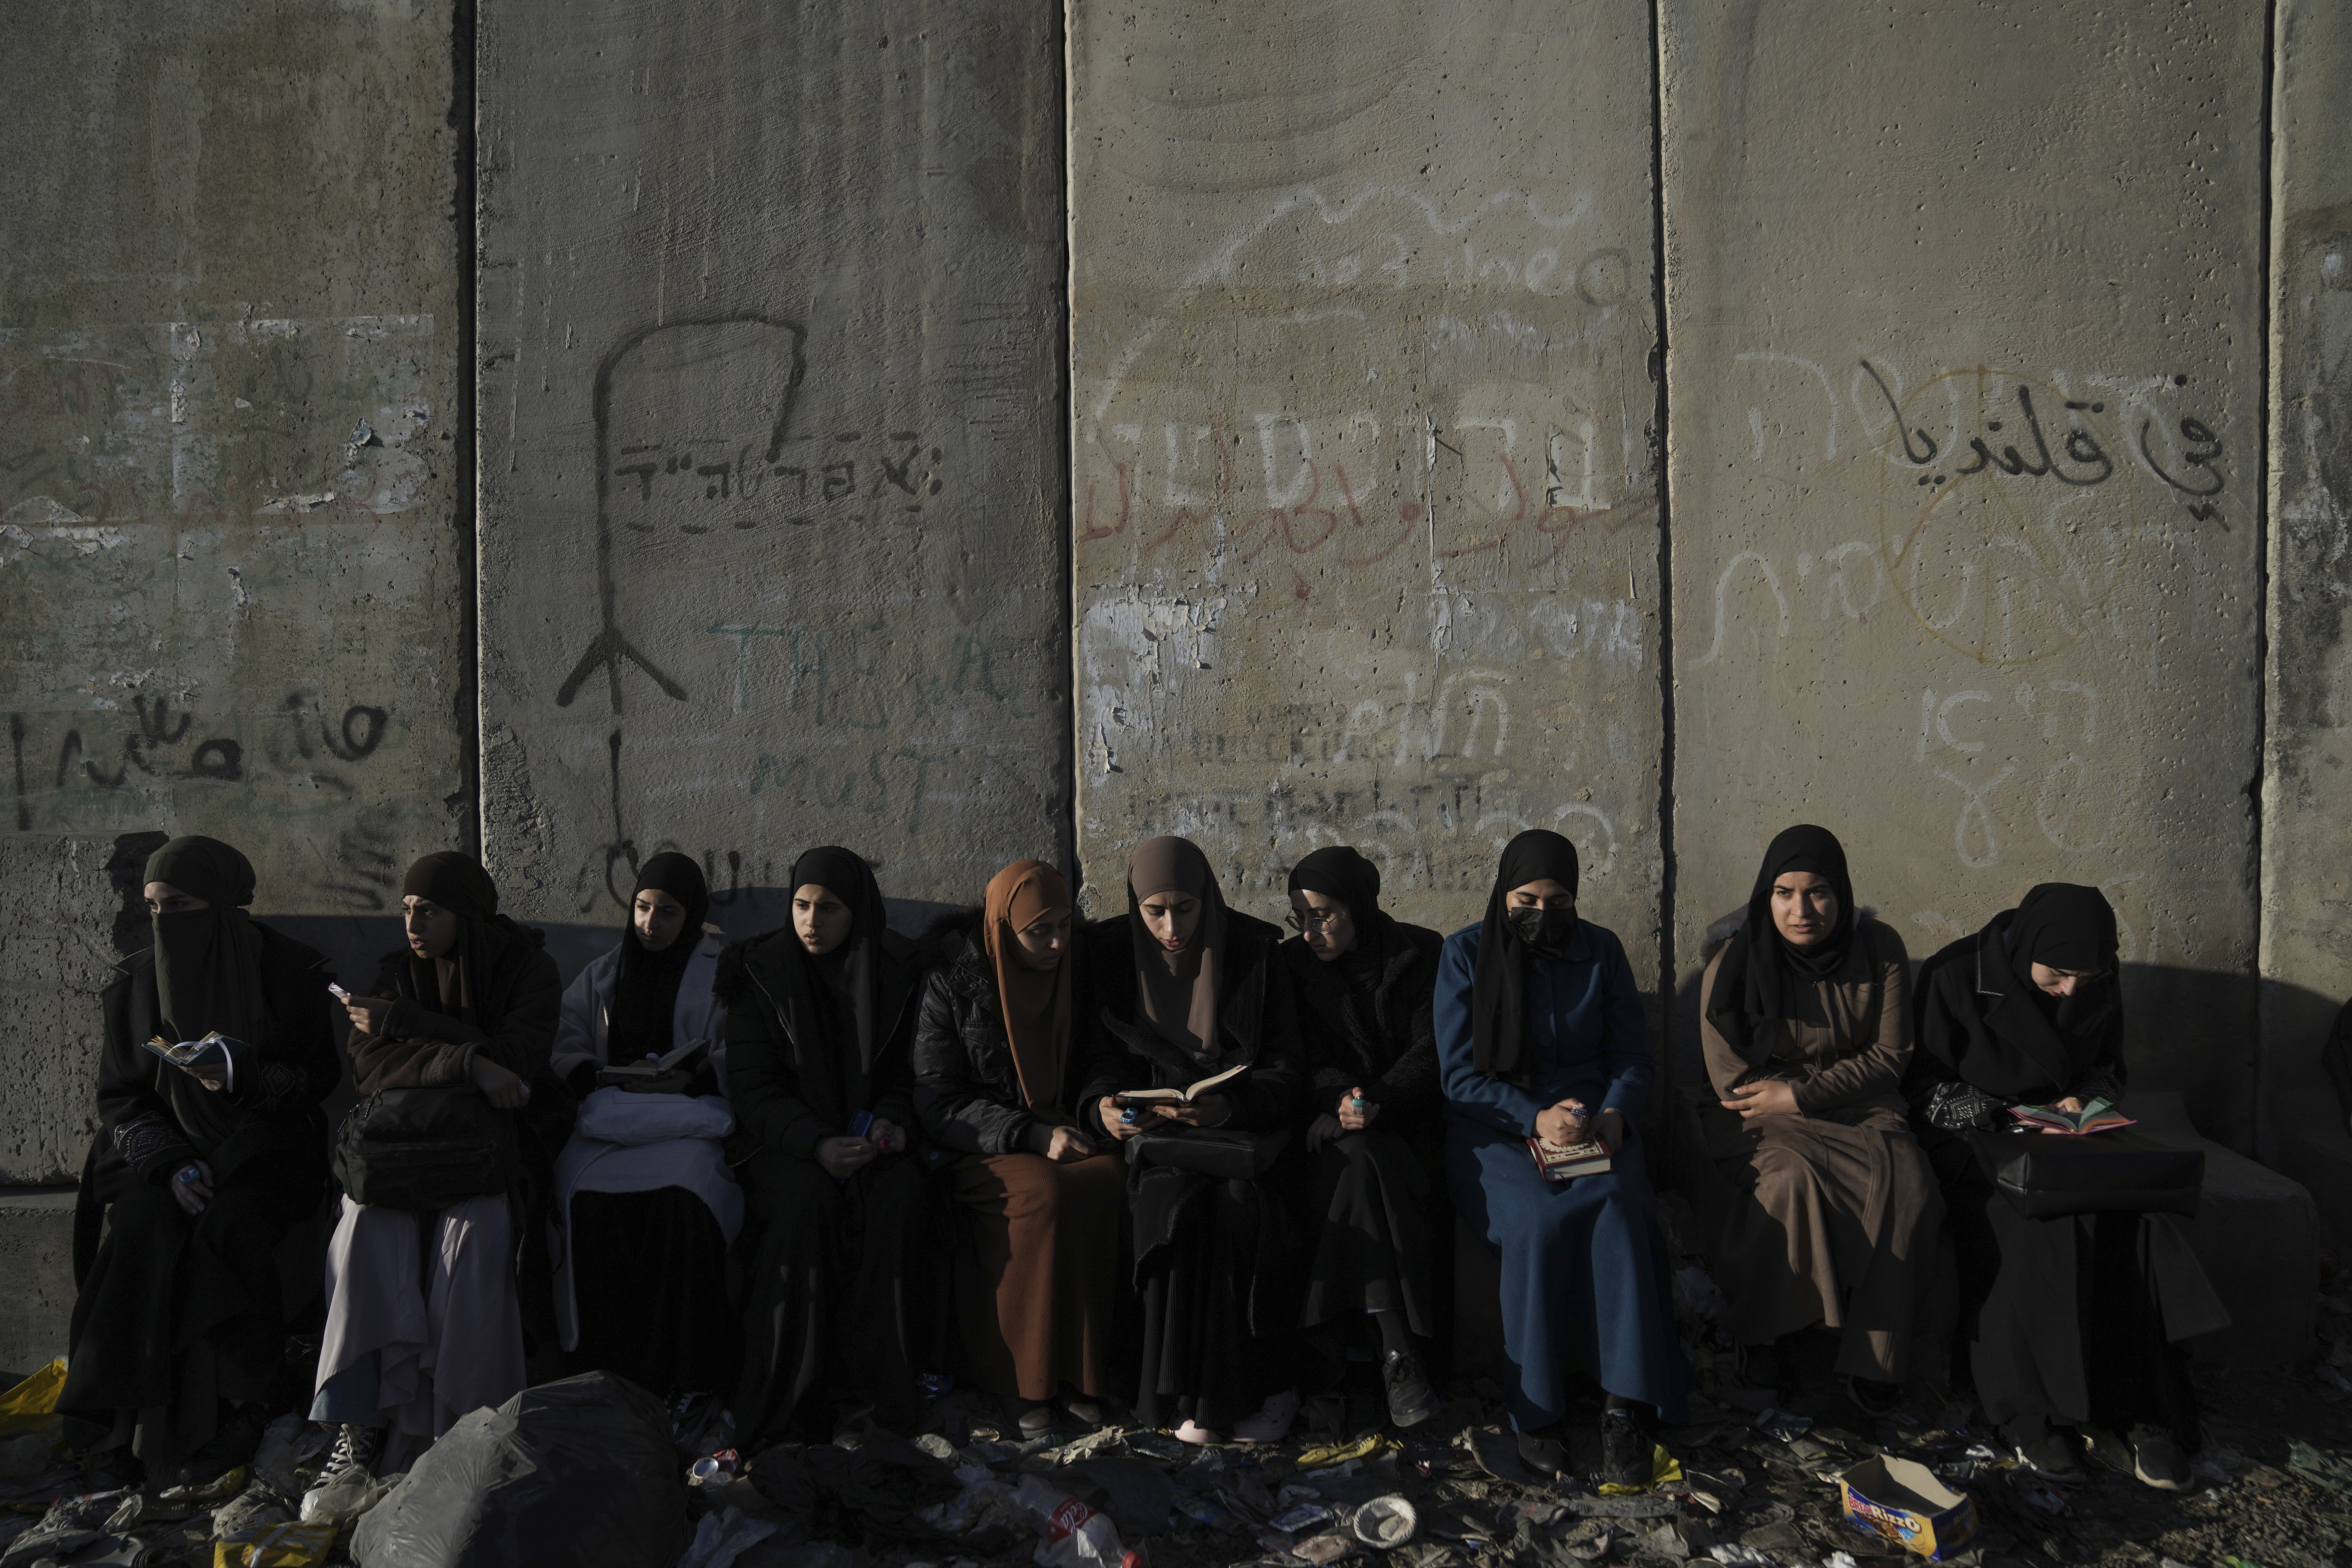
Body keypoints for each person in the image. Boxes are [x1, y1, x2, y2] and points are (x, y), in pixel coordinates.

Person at [1907, 883, 2228, 1491]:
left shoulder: (2098, 981)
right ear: (2025, 946)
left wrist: (2088, 1101)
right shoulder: (1957, 975)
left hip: (2071, 1141)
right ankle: (2029, 1413)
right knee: (2033, 1228)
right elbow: (1925, 1090)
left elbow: (2110, 1068)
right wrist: (2006, 1111)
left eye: (2086, 976)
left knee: (2139, 1222)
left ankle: (2145, 1410)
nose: (2073, 990)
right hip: (1981, 1147)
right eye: (2057, 976)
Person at [60, 836, 342, 1485]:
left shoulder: (288, 971)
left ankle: (242, 1408)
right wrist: (172, 1163)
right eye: (154, 907)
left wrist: (240, 1075)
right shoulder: (134, 985)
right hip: (166, 1153)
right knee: (142, 1228)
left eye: (180, 904)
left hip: (262, 1148)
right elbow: (122, 1098)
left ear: (220, 903)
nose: (165, 921)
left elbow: (315, 1078)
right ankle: (112, 1424)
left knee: (232, 1227)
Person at [305, 851, 560, 1507]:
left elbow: (521, 1061)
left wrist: (409, 1029)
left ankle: (466, 1425)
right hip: (401, 1156)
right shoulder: (396, 973)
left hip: (489, 1155)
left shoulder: (528, 969)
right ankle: (359, 1422)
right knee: (364, 1229)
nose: (414, 923)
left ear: (467, 916)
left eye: (432, 910)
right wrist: (471, 1064)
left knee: (476, 1235)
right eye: (408, 909)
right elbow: (370, 1068)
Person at [1437, 828, 1686, 1484]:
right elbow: (1460, 1076)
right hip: (1495, 1129)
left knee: (1621, 1210)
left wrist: (1611, 1112)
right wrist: (1532, 1117)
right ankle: (1538, 1409)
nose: (1541, 914)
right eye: (1526, 898)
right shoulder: (1465, 954)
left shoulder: (1600, 951)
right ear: (1504, 892)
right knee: (1537, 1225)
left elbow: (1632, 1057)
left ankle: (1623, 1403)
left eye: (1558, 900)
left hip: (1592, 1124)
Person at [1694, 825, 1940, 1408]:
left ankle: (1873, 1361)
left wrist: (1803, 1092)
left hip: (1863, 1110)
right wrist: (1789, 1101)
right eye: (1785, 892)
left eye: (1818, 892)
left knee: (1909, 1186)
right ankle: (1779, 1342)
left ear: (1843, 893)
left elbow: (1891, 1057)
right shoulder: (1734, 961)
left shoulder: (1880, 948)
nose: (1801, 910)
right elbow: (1733, 1081)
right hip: (1757, 1116)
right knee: (1789, 1183)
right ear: (1767, 895)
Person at [1075, 836, 1308, 1444]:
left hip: (1242, 1140)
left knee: (1239, 1209)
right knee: (1167, 1209)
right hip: (1159, 1146)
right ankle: (1178, 1395)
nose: (1172, 926)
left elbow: (1287, 1068)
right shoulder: (1109, 956)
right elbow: (1096, 1061)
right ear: (1135, 907)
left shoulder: (1255, 952)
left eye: (1185, 908)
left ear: (1209, 899)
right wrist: (1106, 1108)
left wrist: (1231, 1105)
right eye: (1155, 911)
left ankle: (1259, 1390)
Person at [721, 846, 934, 1444]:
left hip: (869, 1144)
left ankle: (879, 1392)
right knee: (804, 1206)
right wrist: (815, 1143)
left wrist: (889, 1124)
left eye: (829, 908)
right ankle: (790, 1399)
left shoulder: (894, 972)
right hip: (786, 1146)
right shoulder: (759, 972)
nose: (812, 921)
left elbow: (906, 1075)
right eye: (802, 905)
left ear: (858, 911)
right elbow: (754, 1089)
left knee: (899, 1197)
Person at [912, 859, 1124, 1437]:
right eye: (1040, 931)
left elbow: (1101, 1059)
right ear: (1005, 929)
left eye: (1064, 925)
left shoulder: (1078, 970)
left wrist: (1103, 1105)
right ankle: (1021, 1381)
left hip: (1068, 1128)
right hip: (982, 1143)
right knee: (1042, 1193)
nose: (1057, 942)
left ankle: (1082, 1374)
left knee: (1108, 1179)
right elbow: (937, 1101)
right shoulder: (952, 979)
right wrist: (1028, 1133)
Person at [548, 852, 740, 1422]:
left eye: (667, 912)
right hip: (613, 1121)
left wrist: (699, 1075)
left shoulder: (721, 970)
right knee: (587, 1202)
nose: (650, 924)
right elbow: (565, 1040)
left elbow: (744, 1045)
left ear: (693, 915)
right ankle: (604, 1365)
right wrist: (594, 1071)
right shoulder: (605, 972)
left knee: (685, 1200)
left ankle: (688, 1373)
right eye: (642, 907)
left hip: (687, 1122)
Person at [1277, 845, 1448, 1430]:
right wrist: (1341, 1101)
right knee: (1353, 1162)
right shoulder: (1293, 967)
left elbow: (1432, 1051)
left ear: (1359, 906)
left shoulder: (1422, 953)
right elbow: (1300, 1057)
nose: (1309, 930)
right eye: (1299, 915)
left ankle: (1331, 1365)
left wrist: (1375, 1102)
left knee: (1365, 1161)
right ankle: (1399, 1351)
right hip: (1332, 1131)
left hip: (1408, 1124)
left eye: (1322, 914)